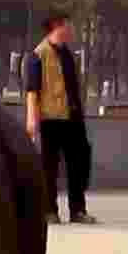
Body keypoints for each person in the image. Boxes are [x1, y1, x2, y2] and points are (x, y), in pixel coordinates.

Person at [24, 12, 95, 224]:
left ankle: (78, 210)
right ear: (55, 26)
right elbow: (32, 91)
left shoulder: (68, 54)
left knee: (78, 165)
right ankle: (49, 210)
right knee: (49, 167)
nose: (70, 29)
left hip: (72, 118)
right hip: (50, 119)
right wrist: (31, 119)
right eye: (67, 25)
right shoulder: (38, 54)